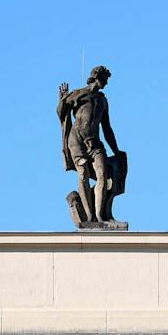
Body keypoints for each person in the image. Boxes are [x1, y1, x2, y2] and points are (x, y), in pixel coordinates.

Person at [58, 65, 126, 226]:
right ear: (97, 77)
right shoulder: (78, 94)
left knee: (103, 175)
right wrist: (62, 98)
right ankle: (89, 218)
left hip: (95, 143)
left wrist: (116, 150)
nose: (107, 83)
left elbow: (107, 128)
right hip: (77, 141)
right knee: (83, 175)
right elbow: (61, 112)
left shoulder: (103, 100)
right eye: (105, 79)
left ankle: (100, 216)